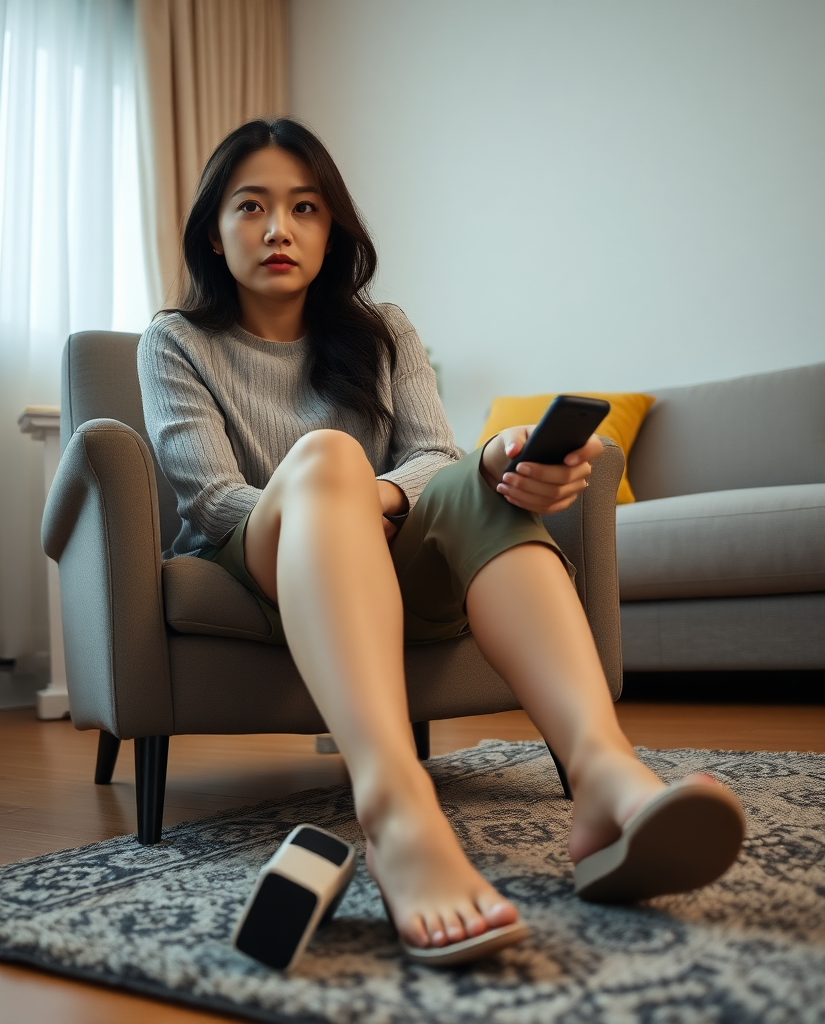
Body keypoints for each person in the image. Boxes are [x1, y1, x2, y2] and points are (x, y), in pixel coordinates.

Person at [138, 118, 745, 965]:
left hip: (391, 553)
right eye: (253, 207)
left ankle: (605, 777)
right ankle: (395, 811)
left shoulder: (384, 329)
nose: (279, 229)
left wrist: (442, 477)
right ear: (214, 228)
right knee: (328, 457)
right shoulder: (176, 340)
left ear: (331, 228)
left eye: (304, 207)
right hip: (264, 562)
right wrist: (341, 491)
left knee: (480, 477)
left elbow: (435, 456)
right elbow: (209, 499)